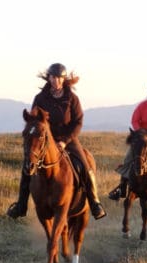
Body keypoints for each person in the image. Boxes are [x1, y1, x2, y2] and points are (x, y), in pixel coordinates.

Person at [6, 63, 106, 220]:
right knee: (28, 167)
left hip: (68, 139)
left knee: (85, 166)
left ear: (63, 79)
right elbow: (33, 120)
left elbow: (78, 121)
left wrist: (65, 141)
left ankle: (95, 203)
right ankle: (21, 205)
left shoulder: (72, 98)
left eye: (59, 78)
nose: (56, 81)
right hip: (45, 141)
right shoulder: (40, 98)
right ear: (49, 78)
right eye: (53, 77)